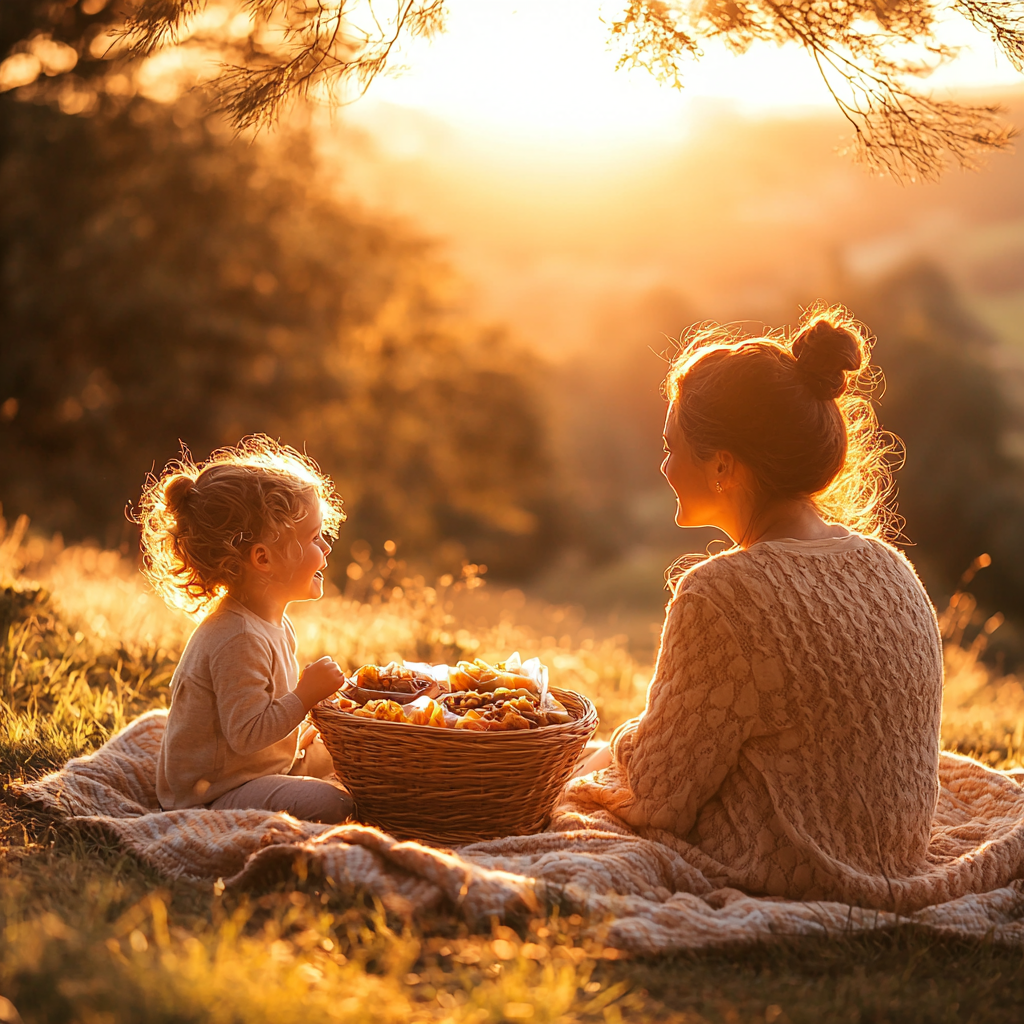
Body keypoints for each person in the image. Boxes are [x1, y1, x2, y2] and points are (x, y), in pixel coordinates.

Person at [566, 305, 1023, 912]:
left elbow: (658, 794)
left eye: (672, 446)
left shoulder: (721, 593)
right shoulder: (892, 567)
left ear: (723, 464)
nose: (664, 465)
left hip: (791, 867)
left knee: (565, 801)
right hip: (895, 852)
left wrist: (576, 768)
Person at [139, 435, 353, 823]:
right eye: (314, 538)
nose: (327, 548)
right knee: (335, 804)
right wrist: (305, 696)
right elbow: (247, 733)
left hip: (258, 769)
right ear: (263, 558)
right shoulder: (237, 637)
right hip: (215, 794)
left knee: (355, 757)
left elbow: (264, 710)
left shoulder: (273, 623)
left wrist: (310, 718)